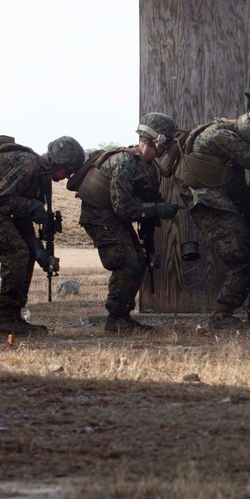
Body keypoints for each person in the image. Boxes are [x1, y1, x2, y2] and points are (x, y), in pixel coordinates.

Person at [0, 135, 85, 335]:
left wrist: (39, 251)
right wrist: (32, 206)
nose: (68, 176)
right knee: (16, 254)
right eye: (68, 170)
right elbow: (3, 199)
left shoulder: (40, 176)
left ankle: (14, 315)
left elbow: (21, 220)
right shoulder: (30, 166)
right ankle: (6, 318)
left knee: (26, 252)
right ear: (57, 162)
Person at [67, 113, 179, 334]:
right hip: (101, 217)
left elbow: (145, 200)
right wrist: (155, 210)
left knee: (137, 261)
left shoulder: (149, 167)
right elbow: (124, 207)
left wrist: (159, 207)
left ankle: (121, 316)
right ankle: (117, 319)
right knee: (128, 262)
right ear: (156, 140)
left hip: (114, 218)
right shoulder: (124, 162)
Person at [174, 110, 250, 329]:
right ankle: (222, 314)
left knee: (244, 254)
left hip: (213, 202)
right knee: (242, 257)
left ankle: (235, 311)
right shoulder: (221, 136)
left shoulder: (215, 131)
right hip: (210, 204)